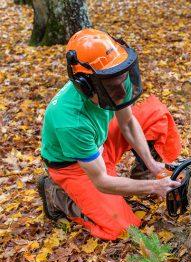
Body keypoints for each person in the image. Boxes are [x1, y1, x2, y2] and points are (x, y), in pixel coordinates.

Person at [38, 28, 182, 241]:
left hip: (100, 142)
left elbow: (128, 122)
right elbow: (101, 181)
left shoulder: (112, 75)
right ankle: (56, 195)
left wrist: (152, 165)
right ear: (87, 86)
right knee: (123, 228)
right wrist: (154, 186)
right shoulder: (70, 122)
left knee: (156, 115)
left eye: (121, 77)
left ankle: (142, 176)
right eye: (113, 86)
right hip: (76, 168)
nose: (122, 90)